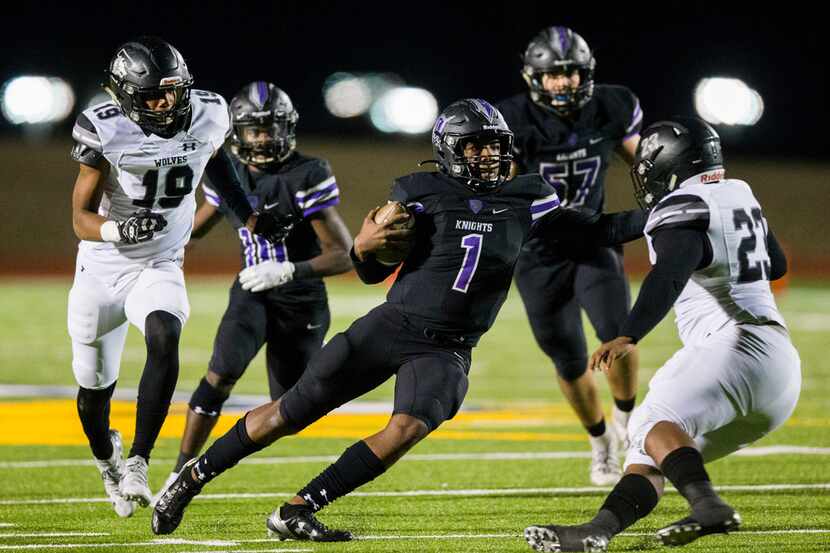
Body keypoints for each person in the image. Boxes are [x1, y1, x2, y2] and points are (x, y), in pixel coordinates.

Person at [151, 98, 647, 539]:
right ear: (450, 148)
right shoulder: (418, 189)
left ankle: (299, 508)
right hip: (391, 325)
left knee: (407, 428)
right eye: (474, 146)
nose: (487, 155)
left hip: (449, 347)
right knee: (288, 412)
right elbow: (368, 271)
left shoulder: (529, 196)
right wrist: (365, 247)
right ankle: (191, 478)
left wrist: (661, 211)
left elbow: (596, 230)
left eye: (493, 146)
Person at [524, 117, 801, 552]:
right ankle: (597, 531)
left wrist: (628, 333)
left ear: (669, 163)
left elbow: (670, 271)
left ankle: (709, 505)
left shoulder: (687, 208)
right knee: (648, 448)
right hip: (779, 372)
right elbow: (611, 229)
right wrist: (543, 215)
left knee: (651, 423)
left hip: (735, 346)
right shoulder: (737, 194)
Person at [68, 37, 291, 517]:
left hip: (160, 262)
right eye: (151, 95)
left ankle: (139, 460)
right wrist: (119, 227)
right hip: (102, 267)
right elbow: (79, 218)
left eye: (171, 92)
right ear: (124, 96)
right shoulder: (103, 129)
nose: (164, 104)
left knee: (164, 333)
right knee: (91, 399)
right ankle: (107, 458)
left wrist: (249, 216)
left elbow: (218, 164)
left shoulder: (209, 113)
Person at [154, 82, 352, 498]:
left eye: (270, 128)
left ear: (287, 127)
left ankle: (228, 449)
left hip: (300, 299)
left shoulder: (307, 173)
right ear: (236, 133)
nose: (263, 138)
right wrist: (149, 239)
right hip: (251, 291)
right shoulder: (229, 172)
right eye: (254, 130)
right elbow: (192, 230)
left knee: (292, 409)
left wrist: (288, 271)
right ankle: (180, 472)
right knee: (221, 370)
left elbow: (343, 255)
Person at [498, 26, 644, 485]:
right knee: (567, 356)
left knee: (618, 334)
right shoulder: (514, 120)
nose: (562, 82)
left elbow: (642, 164)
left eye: (570, 73)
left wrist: (666, 201)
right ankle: (600, 442)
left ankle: (626, 419)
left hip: (593, 239)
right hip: (539, 251)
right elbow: (508, 190)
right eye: (553, 75)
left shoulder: (611, 107)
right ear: (533, 77)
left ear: (586, 74)